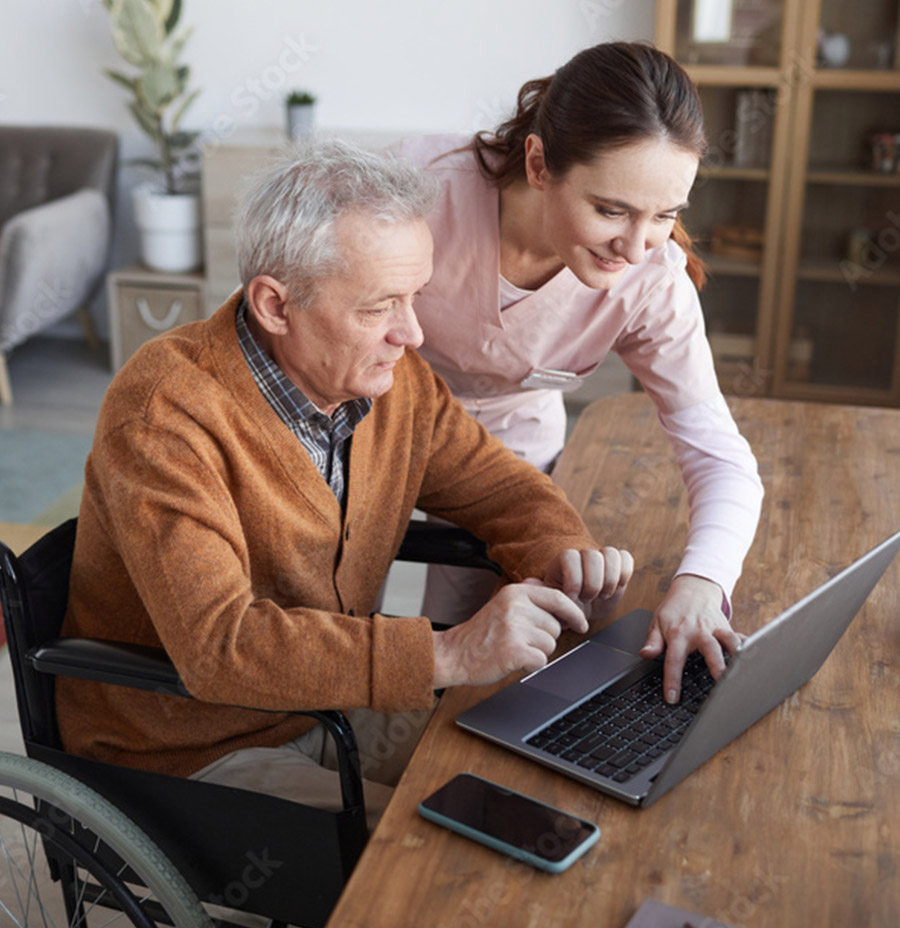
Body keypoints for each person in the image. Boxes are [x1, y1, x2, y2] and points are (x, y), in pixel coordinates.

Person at [56, 140, 634, 829]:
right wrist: (446, 652)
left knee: (536, 780)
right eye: (379, 307)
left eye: (415, 297)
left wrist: (562, 548)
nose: (412, 334)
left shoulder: (390, 382)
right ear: (275, 305)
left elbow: (495, 485)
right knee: (437, 855)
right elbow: (221, 647)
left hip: (327, 705)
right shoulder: (164, 412)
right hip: (189, 745)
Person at [390, 41, 764, 705]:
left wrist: (704, 582)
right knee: (363, 641)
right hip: (373, 434)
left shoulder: (650, 280)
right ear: (538, 163)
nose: (636, 245)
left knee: (490, 673)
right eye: (612, 210)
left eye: (666, 214)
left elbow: (717, 452)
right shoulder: (415, 195)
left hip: (509, 462)